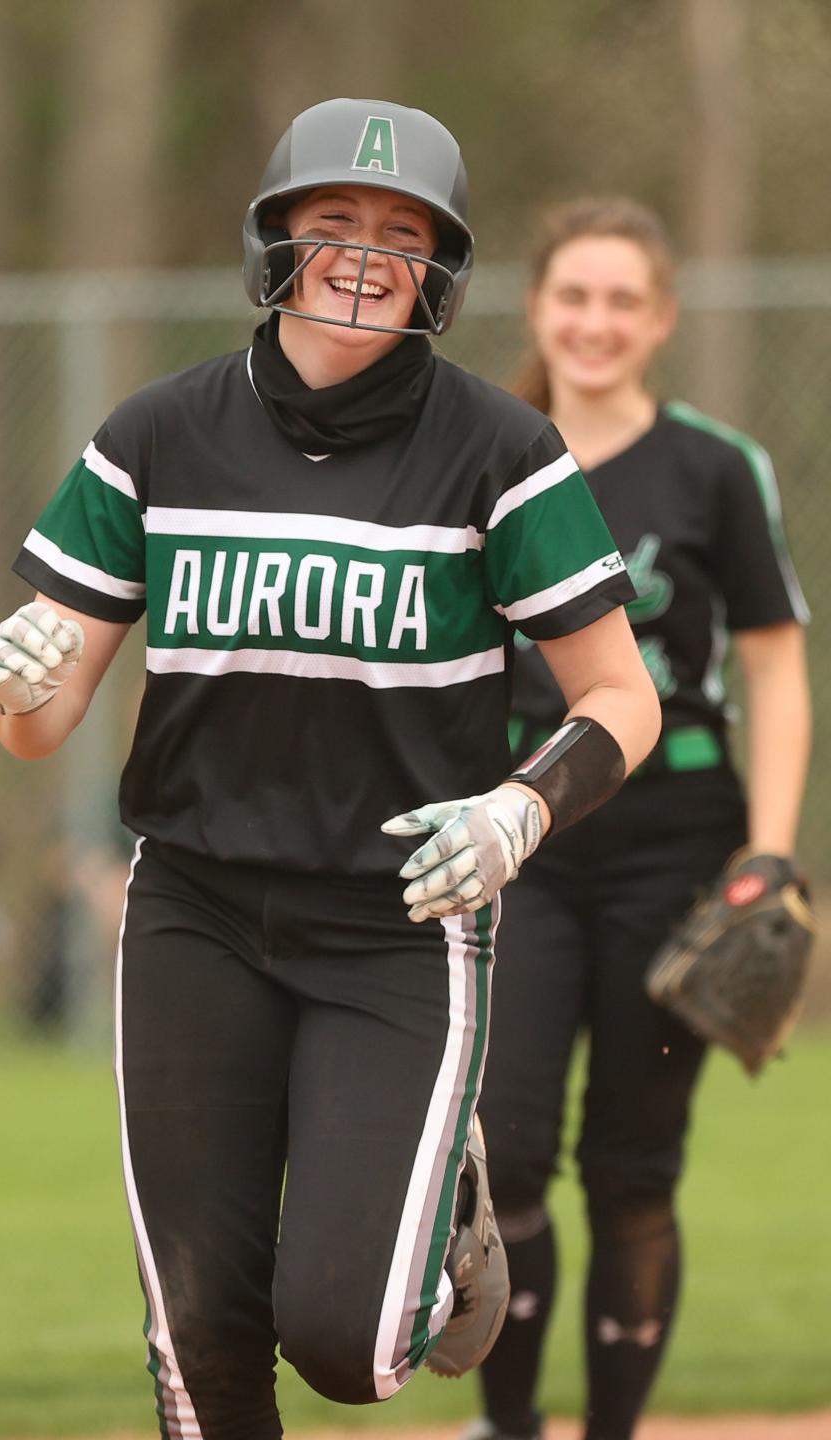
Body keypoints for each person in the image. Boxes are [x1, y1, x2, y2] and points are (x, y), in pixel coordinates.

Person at [0, 103, 659, 1440]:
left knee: (347, 1345)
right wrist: (15, 685)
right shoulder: (158, 433)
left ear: (440, 274)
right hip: (196, 914)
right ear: (277, 241)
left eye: (402, 235)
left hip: (400, 915)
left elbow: (621, 697)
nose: (363, 254)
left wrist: (525, 807)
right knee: (199, 1338)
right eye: (333, 222)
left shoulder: (501, 452)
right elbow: (39, 727)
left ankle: (444, 1209)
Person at [470, 197, 812, 1440]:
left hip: (676, 840)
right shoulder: (481, 452)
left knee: (632, 1168)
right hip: (521, 835)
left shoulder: (713, 464)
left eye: (624, 299)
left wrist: (770, 851)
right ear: (537, 305)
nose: (596, 321)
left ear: (661, 319)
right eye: (575, 295)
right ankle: (506, 1425)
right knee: (503, 1156)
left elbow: (773, 663)